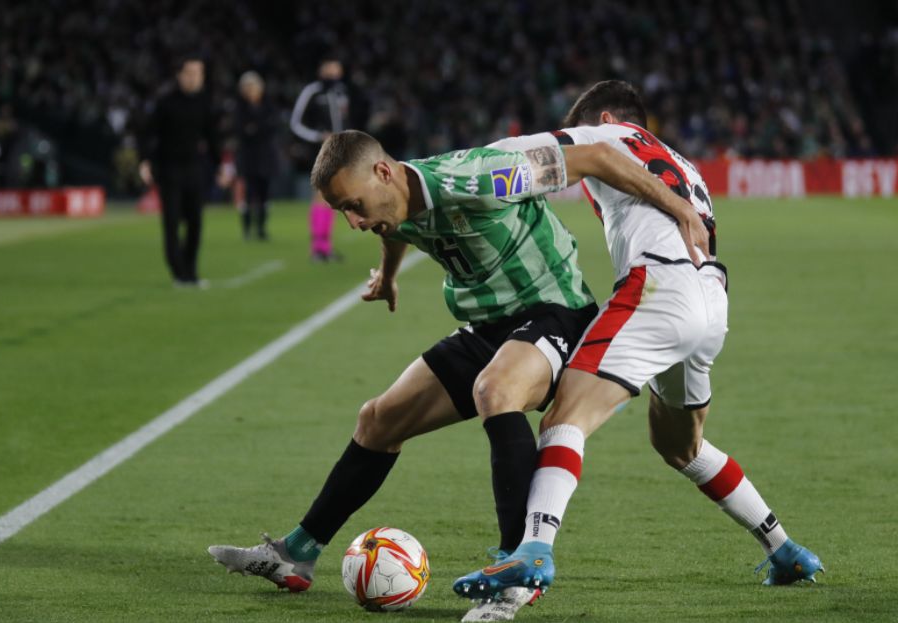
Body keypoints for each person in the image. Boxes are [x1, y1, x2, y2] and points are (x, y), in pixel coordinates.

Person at [206, 129, 710, 607]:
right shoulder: (393, 199)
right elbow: (395, 223)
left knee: (495, 390)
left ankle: (517, 565)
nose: (353, 223)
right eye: (342, 212)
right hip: (487, 326)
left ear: (383, 172)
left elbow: (596, 158)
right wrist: (388, 274)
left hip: (555, 313)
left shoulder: (480, 177)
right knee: (378, 420)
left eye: (353, 207)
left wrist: (680, 207)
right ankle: (297, 555)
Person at [454, 81, 823, 605]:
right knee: (680, 445)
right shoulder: (681, 164)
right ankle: (784, 549)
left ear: (605, 118)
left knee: (564, 417)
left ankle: (533, 549)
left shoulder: (608, 137)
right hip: (711, 299)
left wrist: (451, 174)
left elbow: (527, 153)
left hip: (656, 288)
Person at [139, 55, 229, 288]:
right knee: (171, 222)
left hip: (195, 169)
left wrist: (220, 166)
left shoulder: (205, 102)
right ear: (179, 75)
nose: (195, 78)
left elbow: (212, 137)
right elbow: (149, 134)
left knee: (195, 222)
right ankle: (179, 273)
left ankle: (191, 271)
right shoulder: (165, 102)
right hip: (169, 169)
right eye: (190, 73)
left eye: (199, 73)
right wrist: (146, 161)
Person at [290, 58, 363, 261]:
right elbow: (296, 123)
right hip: (320, 150)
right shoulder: (312, 91)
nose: (333, 71)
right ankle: (318, 247)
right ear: (321, 69)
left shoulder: (342, 92)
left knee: (331, 197)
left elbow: (346, 121)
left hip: (340, 151)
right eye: (329, 66)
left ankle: (323, 247)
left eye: (336, 67)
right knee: (322, 195)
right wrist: (318, 137)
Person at [233, 71, 279, 241]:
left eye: (253, 87)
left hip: (265, 157)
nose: (251, 90)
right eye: (247, 87)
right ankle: (247, 229)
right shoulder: (239, 108)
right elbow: (241, 131)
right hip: (247, 157)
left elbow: (272, 128)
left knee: (264, 193)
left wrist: (254, 128)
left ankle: (261, 228)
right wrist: (258, 128)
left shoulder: (269, 106)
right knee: (247, 194)